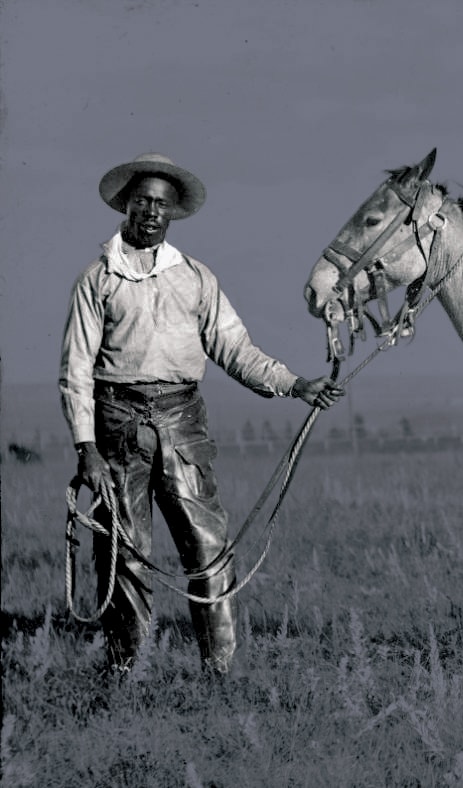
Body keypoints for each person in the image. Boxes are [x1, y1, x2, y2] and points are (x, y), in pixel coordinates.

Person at [60, 152, 343, 676]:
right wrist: (86, 450)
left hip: (183, 424)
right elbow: (76, 370)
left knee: (209, 550)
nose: (151, 212)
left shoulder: (195, 278)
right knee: (125, 556)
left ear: (173, 214)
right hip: (116, 428)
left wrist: (296, 384)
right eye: (142, 200)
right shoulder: (97, 279)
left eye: (161, 204)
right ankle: (129, 673)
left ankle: (220, 673)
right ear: (126, 205)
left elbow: (235, 348)